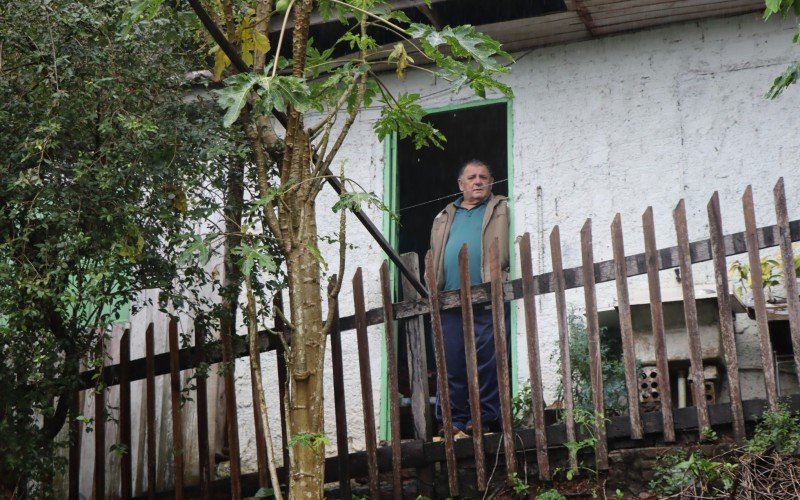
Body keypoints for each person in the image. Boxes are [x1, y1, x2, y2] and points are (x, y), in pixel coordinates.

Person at [429, 159, 510, 435]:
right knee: (450, 360)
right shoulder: (443, 216)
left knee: (487, 358)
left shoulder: (500, 208)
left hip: (485, 294)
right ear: (461, 184)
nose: (478, 181)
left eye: (483, 177)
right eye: (472, 177)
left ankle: (485, 418)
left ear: (491, 182)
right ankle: (454, 421)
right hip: (449, 298)